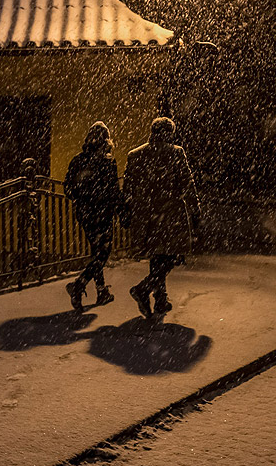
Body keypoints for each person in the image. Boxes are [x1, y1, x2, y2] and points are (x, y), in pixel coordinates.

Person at [123, 117, 201, 317]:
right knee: (171, 256)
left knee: (157, 256)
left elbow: (128, 188)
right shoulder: (175, 152)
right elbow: (187, 183)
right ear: (169, 132)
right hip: (170, 213)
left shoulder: (136, 155)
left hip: (147, 214)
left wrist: (127, 211)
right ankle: (143, 288)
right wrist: (194, 208)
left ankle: (160, 300)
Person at [63, 122, 126, 312]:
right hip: (102, 213)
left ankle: (101, 291)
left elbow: (68, 187)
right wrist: (120, 210)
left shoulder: (78, 160)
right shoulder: (107, 163)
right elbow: (114, 192)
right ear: (106, 140)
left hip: (85, 214)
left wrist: (81, 197)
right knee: (103, 253)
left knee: (96, 251)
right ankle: (80, 284)